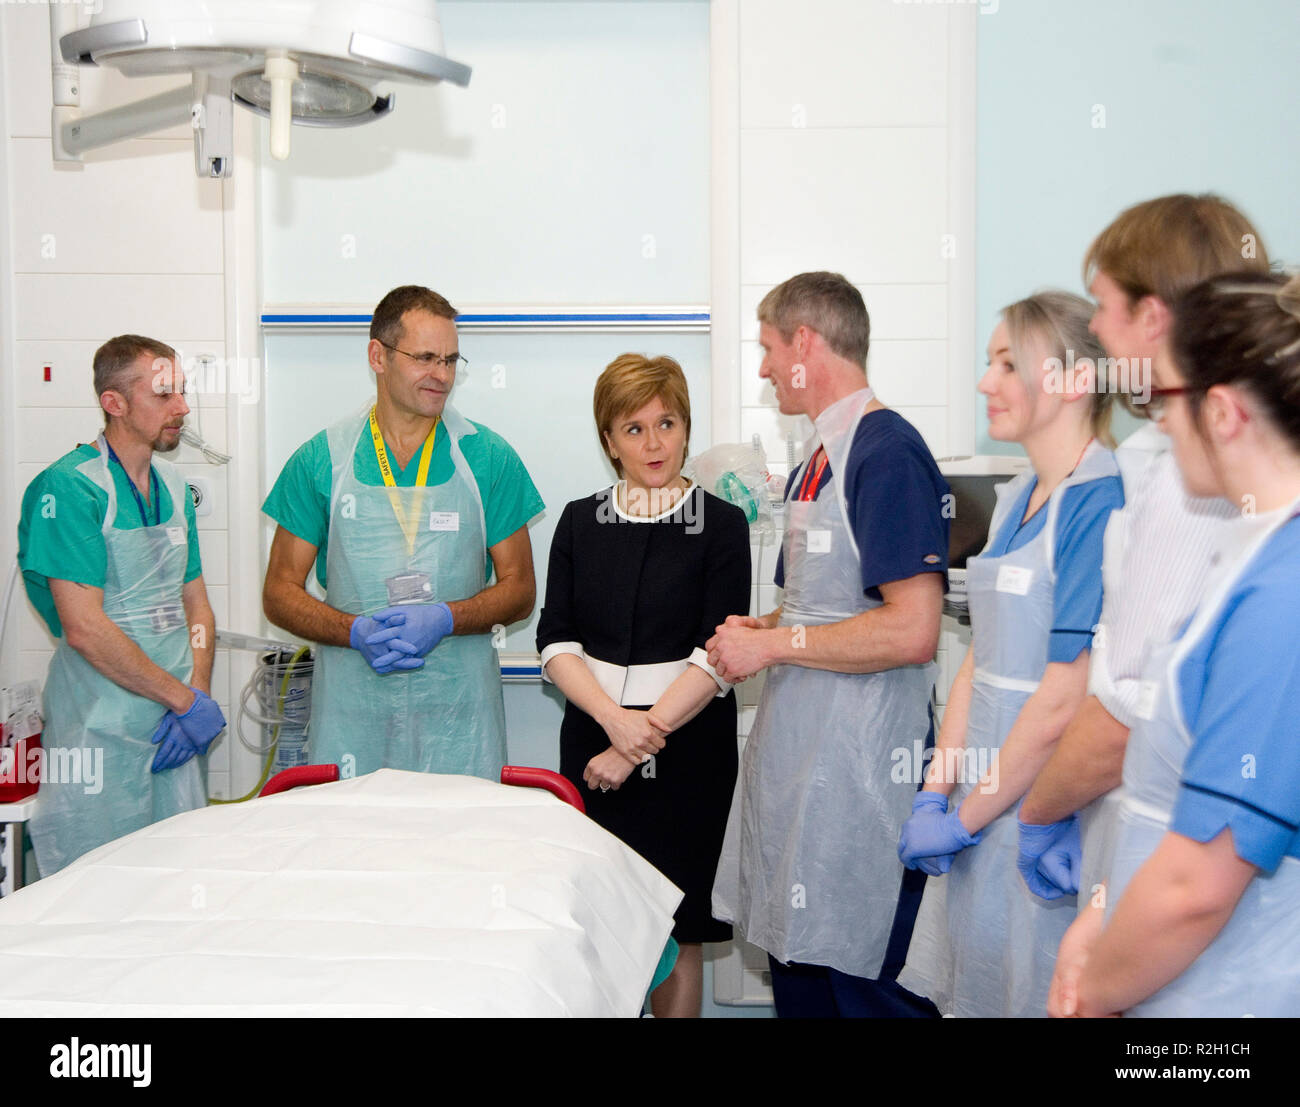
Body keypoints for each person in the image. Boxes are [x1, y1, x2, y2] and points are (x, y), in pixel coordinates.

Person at [1051, 272, 1300, 1017]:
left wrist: (1088, 994)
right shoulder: (1249, 556)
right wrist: (1101, 912)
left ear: (1221, 413)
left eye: (1164, 399)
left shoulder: (1281, 596)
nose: (1156, 422)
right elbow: (1170, 796)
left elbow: (1197, 885)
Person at [1016, 196, 1271, 908]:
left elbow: (1125, 713)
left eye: (1103, 304)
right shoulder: (1188, 449)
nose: (1094, 326)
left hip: (1171, 849)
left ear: (1153, 317)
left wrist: (1037, 811)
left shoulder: (1189, 473)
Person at [708, 272, 950, 1018]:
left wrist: (776, 648)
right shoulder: (818, 457)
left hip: (864, 770)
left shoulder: (886, 451)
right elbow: (816, 601)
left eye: (770, 347)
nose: (763, 368)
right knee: (801, 959)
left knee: (865, 970)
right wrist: (766, 627)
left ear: (806, 342)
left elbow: (912, 628)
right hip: (806, 760)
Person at [896, 291, 1123, 1017]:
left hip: (1050, 813)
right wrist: (940, 788)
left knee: (1042, 991)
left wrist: (969, 818)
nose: (984, 382)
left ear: (1073, 381)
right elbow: (979, 659)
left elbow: (1062, 699)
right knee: (976, 988)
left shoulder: (1100, 501)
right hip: (985, 797)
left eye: (1007, 363)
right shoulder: (1017, 492)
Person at [536, 354, 751, 1018]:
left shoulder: (722, 525)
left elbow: (716, 656)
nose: (653, 443)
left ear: (686, 427)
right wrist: (615, 725)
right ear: (608, 440)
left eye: (667, 423)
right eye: (633, 428)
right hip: (594, 745)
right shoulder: (578, 522)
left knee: (676, 925)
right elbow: (556, 642)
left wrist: (637, 742)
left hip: (690, 753)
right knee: (604, 918)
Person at [262, 285, 543, 780]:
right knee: (358, 849)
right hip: (352, 716)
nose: (442, 375)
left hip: (459, 720)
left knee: (457, 850)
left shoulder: (487, 457)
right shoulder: (322, 459)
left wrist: (445, 619)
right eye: (426, 358)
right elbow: (279, 592)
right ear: (378, 355)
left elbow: (520, 591)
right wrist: (352, 631)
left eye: (452, 360)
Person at [18, 335, 224, 876]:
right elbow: (84, 627)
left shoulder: (174, 487)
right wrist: (185, 700)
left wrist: (196, 696)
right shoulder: (69, 489)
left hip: (173, 730)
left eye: (182, 392)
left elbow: (197, 610)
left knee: (177, 879)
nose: (182, 408)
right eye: (164, 395)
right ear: (114, 403)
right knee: (97, 887)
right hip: (100, 732)